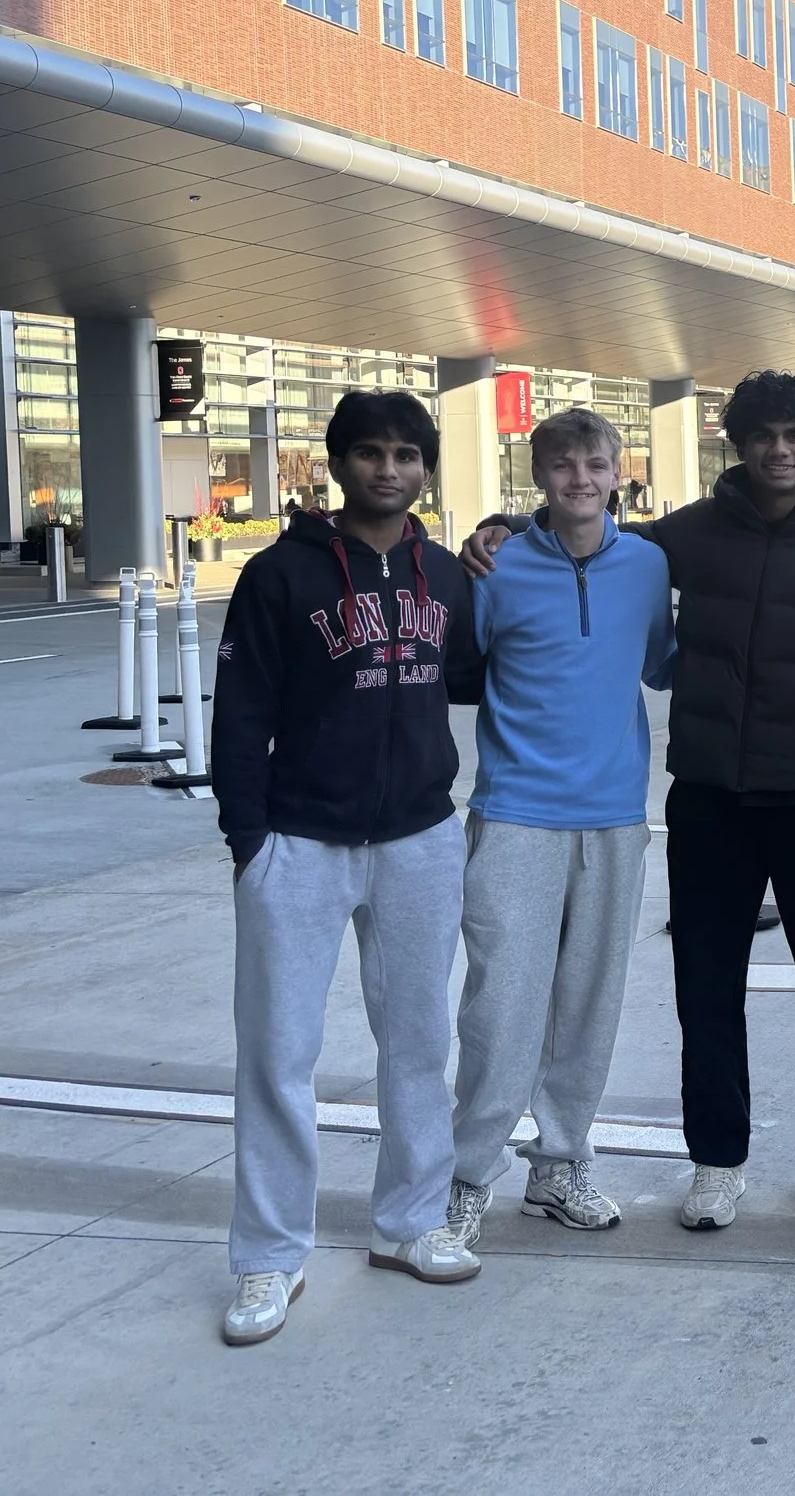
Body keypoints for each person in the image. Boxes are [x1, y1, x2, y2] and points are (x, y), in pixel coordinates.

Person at [463, 370, 795, 1231]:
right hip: (708, 796)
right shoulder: (688, 538)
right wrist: (504, 525)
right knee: (706, 987)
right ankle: (716, 1162)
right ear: (736, 445)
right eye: (763, 435)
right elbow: (585, 530)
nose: (780, 450)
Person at [210, 391, 483, 1346]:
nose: (389, 469)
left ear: (425, 468)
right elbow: (240, 713)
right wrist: (251, 846)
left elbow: (475, 676)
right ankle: (269, 1256)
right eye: (369, 452)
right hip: (301, 841)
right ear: (339, 463)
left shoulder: (444, 576)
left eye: (407, 454)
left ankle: (409, 1224)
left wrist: (506, 562)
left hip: (418, 836)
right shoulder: (279, 576)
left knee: (416, 1042)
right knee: (278, 1055)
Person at [442, 409, 675, 1250]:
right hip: (516, 814)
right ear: (538, 474)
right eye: (564, 465)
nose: (581, 477)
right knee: (499, 1006)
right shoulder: (495, 566)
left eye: (596, 463)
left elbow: (660, 660)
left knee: (588, 1003)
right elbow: (465, 665)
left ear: (620, 472)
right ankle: (467, 1176)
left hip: (615, 818)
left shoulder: (648, 565)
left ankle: (562, 1163)